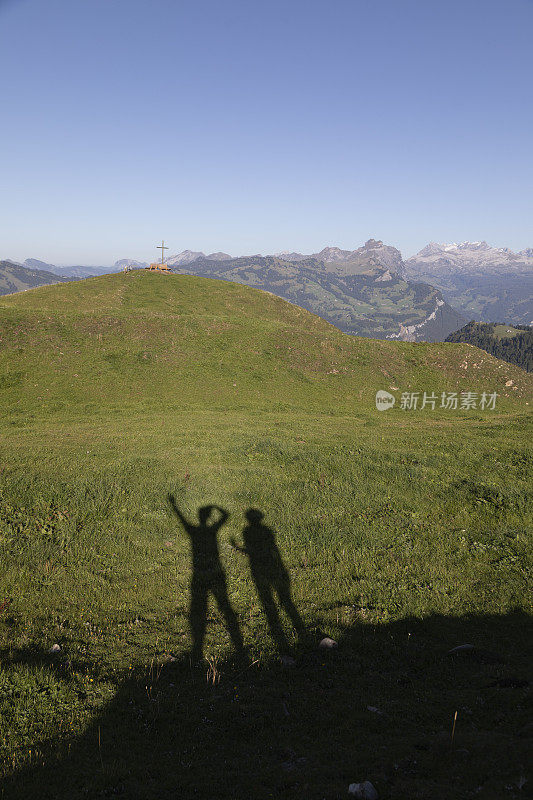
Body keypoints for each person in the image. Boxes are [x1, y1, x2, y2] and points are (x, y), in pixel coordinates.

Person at [168, 495, 243, 661]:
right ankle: (239, 647)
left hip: (199, 574)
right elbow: (226, 515)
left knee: (198, 609)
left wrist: (174, 505)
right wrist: (216, 506)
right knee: (225, 606)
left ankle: (197, 649)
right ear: (208, 517)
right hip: (216, 572)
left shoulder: (193, 531)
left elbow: (181, 519)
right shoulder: (212, 529)